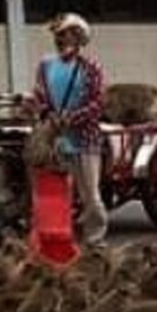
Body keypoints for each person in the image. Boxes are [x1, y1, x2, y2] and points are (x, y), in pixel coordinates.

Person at [33, 12, 107, 244]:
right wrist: (47, 114)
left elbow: (98, 103)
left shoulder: (90, 67)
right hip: (55, 137)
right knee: (55, 191)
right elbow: (39, 96)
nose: (61, 40)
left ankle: (95, 239)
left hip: (85, 139)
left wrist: (72, 118)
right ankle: (59, 234)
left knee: (90, 195)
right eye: (58, 35)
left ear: (79, 38)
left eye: (66, 34)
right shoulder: (45, 66)